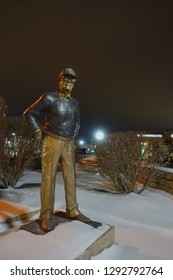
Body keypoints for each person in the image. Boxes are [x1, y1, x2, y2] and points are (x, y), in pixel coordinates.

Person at [23, 68, 90, 232]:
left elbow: (78, 122)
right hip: (51, 140)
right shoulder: (49, 98)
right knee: (48, 178)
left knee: (70, 177)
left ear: (74, 85)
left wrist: (73, 135)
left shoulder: (75, 103)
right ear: (59, 81)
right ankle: (45, 214)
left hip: (68, 143)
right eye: (65, 80)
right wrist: (37, 131)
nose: (68, 83)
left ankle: (73, 210)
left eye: (71, 81)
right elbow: (29, 113)